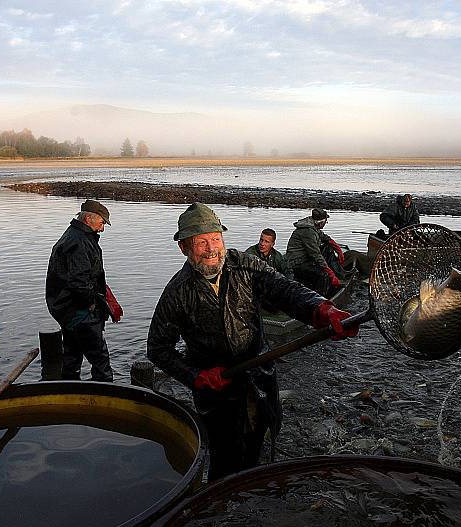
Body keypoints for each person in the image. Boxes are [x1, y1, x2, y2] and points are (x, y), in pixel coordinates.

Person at [147, 202, 358, 480]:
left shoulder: (244, 265)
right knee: (223, 457)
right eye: (201, 242)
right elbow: (158, 348)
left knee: (261, 437)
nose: (211, 249)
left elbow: (284, 289)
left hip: (259, 374)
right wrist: (195, 376)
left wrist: (320, 309)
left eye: (215, 239)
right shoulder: (177, 292)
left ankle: (254, 489)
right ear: (184, 248)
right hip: (217, 390)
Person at [46, 199, 123, 381]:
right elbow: (79, 283)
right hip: (79, 312)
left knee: (72, 357)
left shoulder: (74, 236)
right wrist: (94, 306)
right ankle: (107, 396)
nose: (102, 228)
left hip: (66, 309)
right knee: (100, 359)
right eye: (102, 223)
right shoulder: (79, 242)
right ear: (88, 218)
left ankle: (69, 390)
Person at [286, 208, 346, 297]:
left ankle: (339, 275)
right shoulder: (308, 232)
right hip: (297, 263)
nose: (325, 224)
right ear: (321, 222)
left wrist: (338, 249)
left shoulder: (312, 226)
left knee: (328, 247)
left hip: (305, 258)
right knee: (323, 275)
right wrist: (329, 273)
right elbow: (316, 255)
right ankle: (320, 298)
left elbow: (325, 237)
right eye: (325, 222)